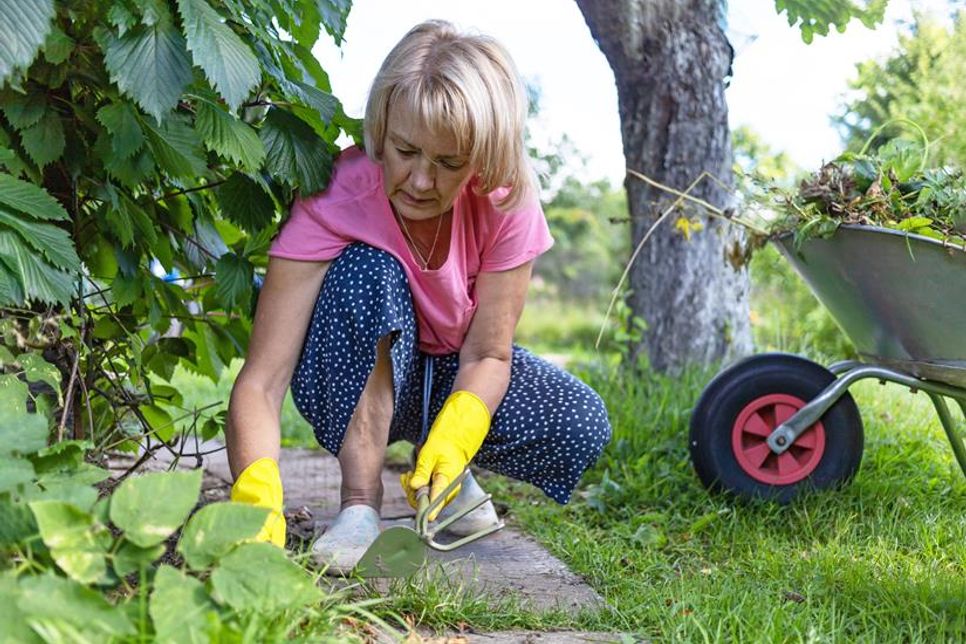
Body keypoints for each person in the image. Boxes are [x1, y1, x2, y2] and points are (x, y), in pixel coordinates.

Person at [225, 19, 611, 574]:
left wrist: (457, 438)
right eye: (406, 151)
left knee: (580, 422)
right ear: (382, 130)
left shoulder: (507, 204)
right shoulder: (337, 194)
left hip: (450, 372)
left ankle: (442, 475)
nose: (421, 181)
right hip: (350, 371)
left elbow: (488, 356)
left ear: (480, 158)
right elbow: (261, 381)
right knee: (369, 268)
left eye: (449, 162)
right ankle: (360, 506)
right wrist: (255, 500)